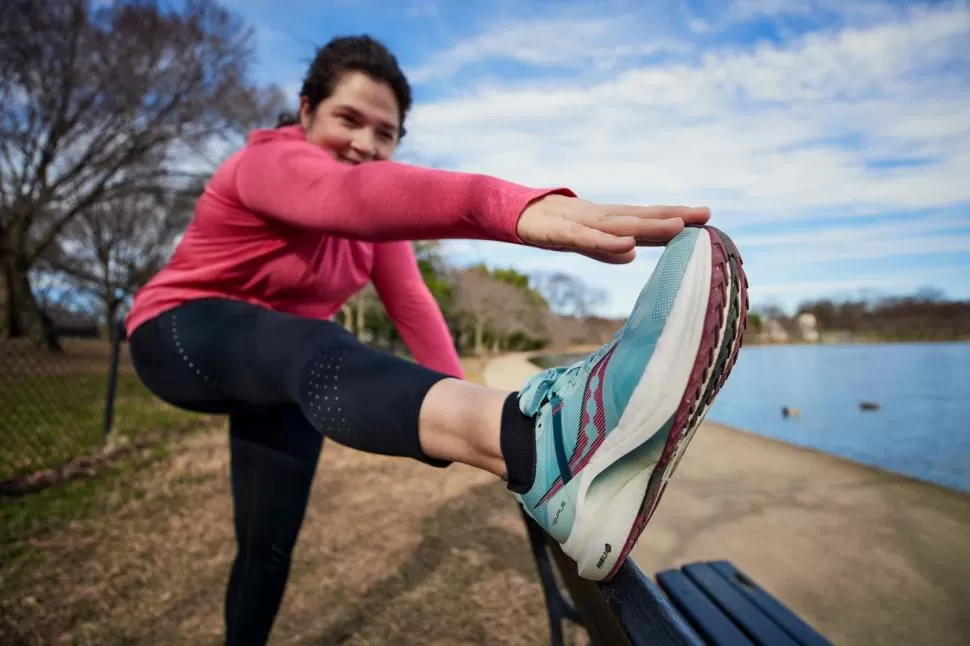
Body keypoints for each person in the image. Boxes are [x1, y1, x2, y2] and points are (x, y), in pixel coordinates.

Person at [125, 35, 747, 645]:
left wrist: (463, 425)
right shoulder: (266, 162)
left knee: (267, 545)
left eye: (385, 133)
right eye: (348, 119)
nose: (365, 144)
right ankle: (535, 441)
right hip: (179, 333)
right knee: (309, 341)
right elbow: (345, 195)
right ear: (307, 110)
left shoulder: (371, 233)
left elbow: (417, 310)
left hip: (276, 379)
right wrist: (501, 206)